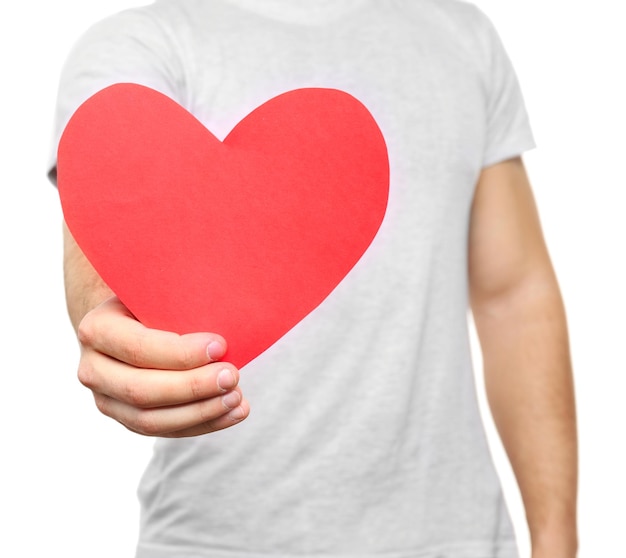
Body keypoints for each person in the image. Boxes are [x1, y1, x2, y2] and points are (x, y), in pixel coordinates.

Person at [48, 1, 578, 557]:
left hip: (458, 540)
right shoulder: (138, 44)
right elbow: (103, 239)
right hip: (214, 543)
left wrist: (557, 539)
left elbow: (512, 295)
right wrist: (117, 341)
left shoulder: (463, 33)